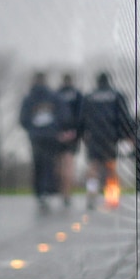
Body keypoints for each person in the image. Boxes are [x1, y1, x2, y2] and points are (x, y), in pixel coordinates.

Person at [79, 71, 133, 210]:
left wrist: (82, 134)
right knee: (111, 167)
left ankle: (91, 193)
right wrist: (127, 135)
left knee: (93, 167)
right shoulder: (117, 95)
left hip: (93, 136)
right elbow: (124, 116)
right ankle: (112, 197)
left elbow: (81, 118)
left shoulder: (89, 97)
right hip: (110, 136)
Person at [19, 72, 67, 213]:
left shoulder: (29, 98)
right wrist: (55, 128)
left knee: (38, 163)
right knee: (48, 163)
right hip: (50, 136)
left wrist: (32, 128)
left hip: (36, 137)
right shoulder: (54, 97)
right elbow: (64, 115)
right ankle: (46, 191)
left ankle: (40, 192)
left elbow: (23, 118)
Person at [56, 74, 84, 208]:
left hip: (59, 134)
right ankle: (67, 193)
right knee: (69, 164)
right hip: (73, 134)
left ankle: (63, 192)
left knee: (60, 164)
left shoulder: (56, 94)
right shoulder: (77, 94)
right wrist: (78, 132)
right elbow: (81, 114)